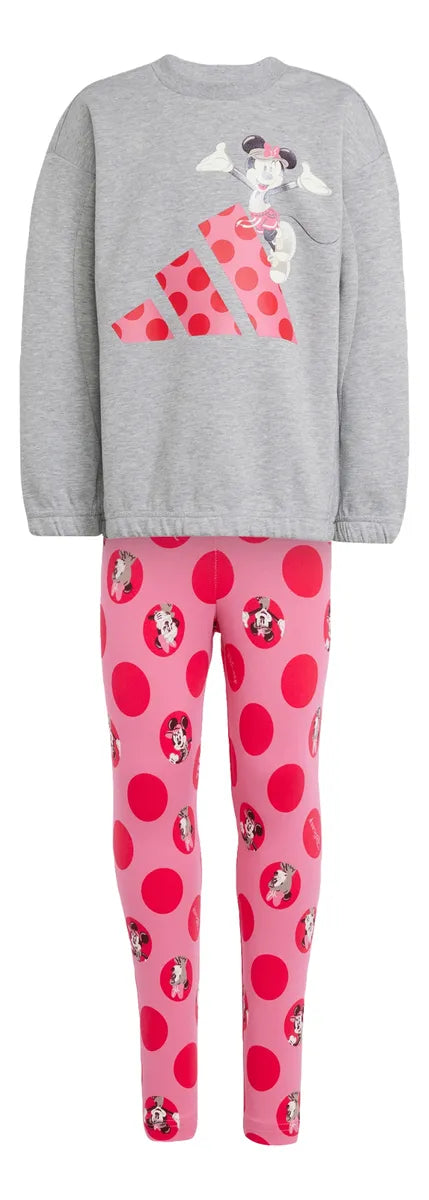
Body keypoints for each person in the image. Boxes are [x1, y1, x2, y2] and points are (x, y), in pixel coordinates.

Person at [20, 54, 408, 1144]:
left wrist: (370, 494)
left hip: (289, 536)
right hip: (147, 534)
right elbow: (57, 310)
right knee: (151, 815)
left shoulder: (340, 119)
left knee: (281, 811)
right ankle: (167, 1102)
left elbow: (373, 318)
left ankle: (275, 1109)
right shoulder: (100, 119)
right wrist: (64, 490)